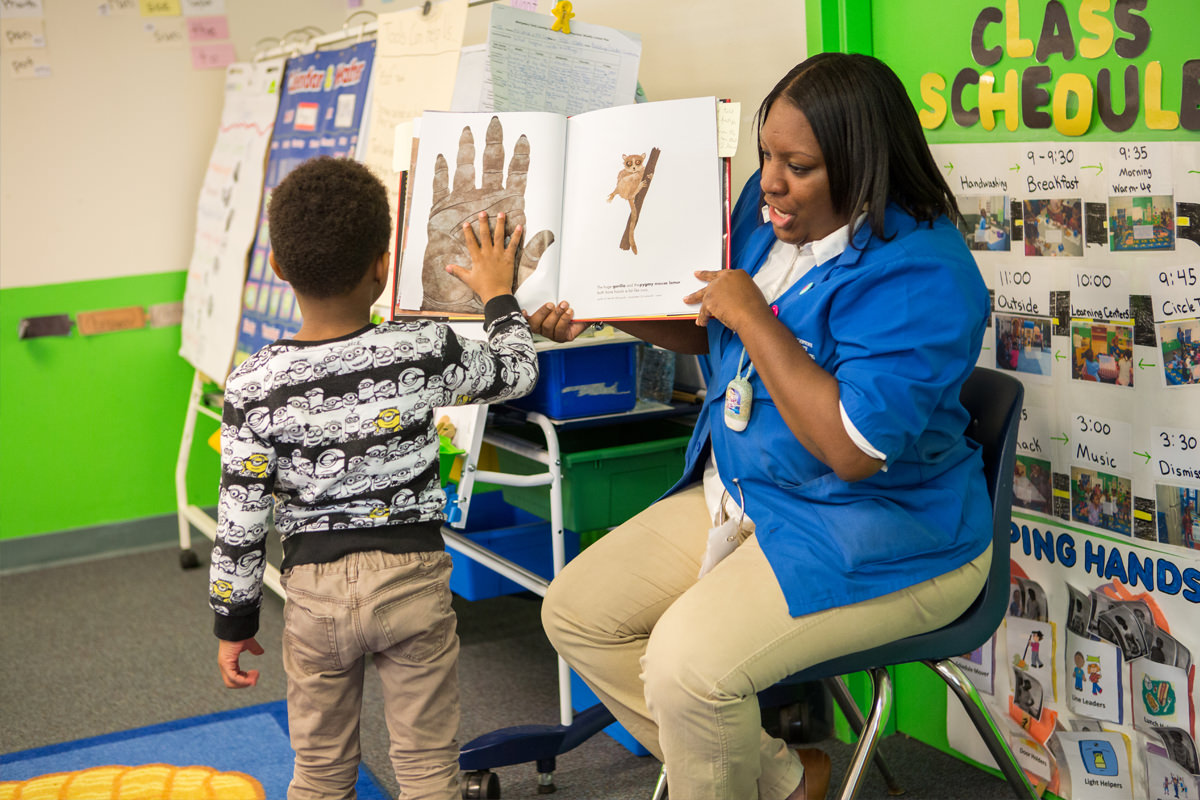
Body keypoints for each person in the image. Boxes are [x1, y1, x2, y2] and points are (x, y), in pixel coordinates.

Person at [529, 53, 993, 800]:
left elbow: (850, 449)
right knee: (578, 615)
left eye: (798, 166)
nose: (771, 182)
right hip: (751, 487)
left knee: (688, 669)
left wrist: (754, 315)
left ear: (863, 164)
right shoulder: (764, 210)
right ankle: (784, 777)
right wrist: (595, 307)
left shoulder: (927, 274)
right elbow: (703, 328)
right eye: (767, 155)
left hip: (882, 525)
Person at [209, 156, 538, 800]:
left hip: (313, 596)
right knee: (424, 770)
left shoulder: (254, 381)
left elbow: (240, 518)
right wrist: (499, 295)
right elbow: (515, 370)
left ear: (278, 270)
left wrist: (234, 620)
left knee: (322, 772)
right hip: (412, 579)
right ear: (382, 266)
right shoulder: (418, 347)